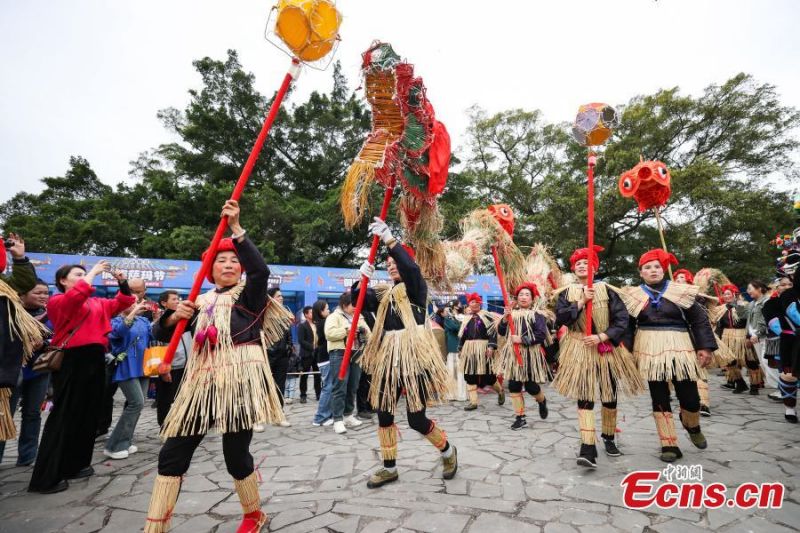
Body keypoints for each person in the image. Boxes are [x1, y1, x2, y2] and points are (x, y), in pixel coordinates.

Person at [143, 200, 292, 532]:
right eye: (220, 260)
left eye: (233, 261)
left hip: (239, 383)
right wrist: (171, 317)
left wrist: (237, 230)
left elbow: (261, 272)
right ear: (209, 270)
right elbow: (157, 332)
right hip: (199, 386)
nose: (228, 265)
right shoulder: (199, 301)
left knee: (236, 457)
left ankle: (254, 515)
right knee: (172, 453)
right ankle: (156, 524)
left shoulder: (250, 297)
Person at [355, 218, 456, 489]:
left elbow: (411, 268)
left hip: (413, 357)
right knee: (384, 413)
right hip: (388, 357)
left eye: (394, 262)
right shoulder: (383, 294)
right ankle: (390, 467)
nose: (391, 266)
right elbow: (358, 301)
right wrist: (361, 279)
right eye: (388, 264)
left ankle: (447, 450)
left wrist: (389, 239)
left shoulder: (416, 288)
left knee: (416, 419)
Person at [28, 260, 135, 493]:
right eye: (78, 274)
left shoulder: (96, 302)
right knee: (66, 414)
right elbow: (75, 297)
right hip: (72, 359)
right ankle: (46, 477)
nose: (84, 276)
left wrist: (122, 282)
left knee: (88, 414)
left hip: (96, 358)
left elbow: (124, 302)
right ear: (62, 281)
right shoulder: (58, 301)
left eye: (85, 273)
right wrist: (95, 271)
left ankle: (76, 464)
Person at [553, 247, 644, 468]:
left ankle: (609, 436)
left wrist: (603, 336)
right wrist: (581, 301)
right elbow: (561, 318)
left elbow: (622, 320)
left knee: (608, 394)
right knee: (584, 395)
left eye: (587, 262)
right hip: (578, 348)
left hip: (606, 348)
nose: (582, 265)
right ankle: (587, 446)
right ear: (573, 268)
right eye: (578, 263)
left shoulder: (608, 290)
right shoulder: (565, 292)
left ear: (595, 266)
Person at [623, 249, 715, 463]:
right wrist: (625, 350)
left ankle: (692, 424)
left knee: (690, 397)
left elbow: (699, 320)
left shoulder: (681, 292)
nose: (653, 270)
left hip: (679, 345)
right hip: (649, 348)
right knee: (659, 397)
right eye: (647, 267)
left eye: (656, 267)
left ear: (663, 270)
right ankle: (669, 444)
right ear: (641, 273)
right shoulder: (633, 295)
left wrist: (705, 347)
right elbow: (627, 325)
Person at [0, 236, 45, 464]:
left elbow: (25, 281)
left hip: (12, 367)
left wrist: (19, 257)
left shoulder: (5, 287)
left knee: (15, 415)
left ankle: (27, 457)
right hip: (11, 367)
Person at [103, 299, 152, 459]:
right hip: (125, 364)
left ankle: (126, 441)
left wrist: (158, 317)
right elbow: (118, 333)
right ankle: (113, 445)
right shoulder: (115, 321)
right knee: (136, 402)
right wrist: (132, 312)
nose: (136, 304)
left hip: (143, 365)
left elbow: (152, 336)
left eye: (138, 302)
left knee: (139, 404)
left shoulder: (144, 320)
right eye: (132, 302)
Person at [497, 283, 549, 430]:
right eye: (521, 295)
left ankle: (542, 400)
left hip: (530, 355)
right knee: (514, 385)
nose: (524, 297)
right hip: (513, 355)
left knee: (531, 386)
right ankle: (520, 417)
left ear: (532, 299)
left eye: (527, 295)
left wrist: (522, 339)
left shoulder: (537, 315)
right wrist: (505, 319)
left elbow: (541, 335)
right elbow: (501, 332)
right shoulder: (511, 314)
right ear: (517, 298)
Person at [325, 291, 369, 434]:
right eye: (353, 305)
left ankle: (348, 415)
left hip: (357, 352)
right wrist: (347, 330)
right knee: (340, 387)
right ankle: (337, 419)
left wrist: (364, 332)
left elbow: (368, 333)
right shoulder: (334, 317)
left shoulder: (359, 317)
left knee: (353, 386)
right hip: (340, 353)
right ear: (344, 305)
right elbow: (329, 334)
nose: (356, 307)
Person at [458, 293, 503, 410]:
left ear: (480, 303)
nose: (475, 304)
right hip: (469, 349)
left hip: (484, 348)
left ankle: (500, 391)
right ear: (469, 304)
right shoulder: (466, 318)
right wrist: (460, 348)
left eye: (477, 302)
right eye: (472, 302)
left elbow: (493, 332)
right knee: (469, 374)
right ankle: (473, 402)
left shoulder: (487, 316)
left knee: (488, 375)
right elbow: (463, 335)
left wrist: (491, 346)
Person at [153, 290, 191, 426]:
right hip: (170, 367)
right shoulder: (160, 324)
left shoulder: (186, 319)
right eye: (174, 299)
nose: (178, 301)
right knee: (166, 400)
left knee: (182, 398)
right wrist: (164, 369)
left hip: (186, 366)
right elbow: (157, 348)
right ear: (164, 303)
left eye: (178, 299)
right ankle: (164, 427)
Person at [717, 284, 763, 394]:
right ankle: (740, 383)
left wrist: (749, 336)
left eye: (729, 293)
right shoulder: (721, 309)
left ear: (734, 294)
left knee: (749, 361)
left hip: (742, 335)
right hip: (727, 336)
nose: (726, 296)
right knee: (730, 362)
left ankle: (754, 385)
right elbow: (719, 324)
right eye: (724, 294)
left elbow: (749, 320)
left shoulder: (745, 305)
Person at [266, 288, 294, 428]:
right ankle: (257, 418)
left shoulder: (284, 313)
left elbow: (288, 334)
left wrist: (289, 346)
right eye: (278, 296)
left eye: (282, 296)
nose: (281, 298)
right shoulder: (263, 313)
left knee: (280, 386)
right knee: (262, 386)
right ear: (270, 298)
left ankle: (278, 414)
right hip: (266, 355)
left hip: (282, 356)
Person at [311, 300, 333, 427]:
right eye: (327, 309)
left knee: (329, 387)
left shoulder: (320, 322)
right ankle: (320, 417)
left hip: (324, 358)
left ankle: (326, 415)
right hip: (325, 358)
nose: (329, 311)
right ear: (320, 311)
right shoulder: (323, 323)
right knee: (328, 388)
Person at [443, 303, 468, 401]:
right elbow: (455, 328)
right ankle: (452, 394)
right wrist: (461, 323)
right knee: (451, 372)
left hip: (462, 347)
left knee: (461, 372)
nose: (460, 306)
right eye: (458, 304)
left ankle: (462, 394)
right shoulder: (448, 319)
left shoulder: (463, 318)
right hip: (453, 347)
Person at [297, 306, 321, 403]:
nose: (313, 314)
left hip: (317, 354)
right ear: (306, 314)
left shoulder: (317, 324)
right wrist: (312, 347)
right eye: (311, 312)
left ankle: (318, 394)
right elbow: (301, 340)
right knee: (304, 375)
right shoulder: (302, 326)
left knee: (317, 375)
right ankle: (303, 395)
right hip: (307, 353)